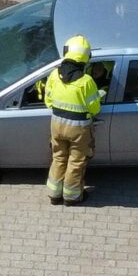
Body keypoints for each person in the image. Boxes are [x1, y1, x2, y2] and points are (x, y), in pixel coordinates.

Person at [42, 35, 104, 204]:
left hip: (56, 124)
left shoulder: (54, 75)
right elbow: (94, 108)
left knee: (59, 157)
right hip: (78, 128)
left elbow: (48, 100)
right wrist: (98, 96)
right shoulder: (86, 82)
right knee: (76, 162)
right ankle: (71, 196)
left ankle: (54, 195)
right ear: (86, 58)